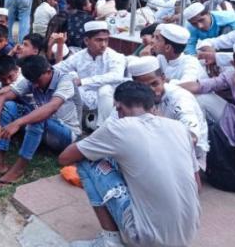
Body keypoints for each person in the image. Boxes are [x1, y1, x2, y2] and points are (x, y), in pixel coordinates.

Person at [58, 81, 201, 247]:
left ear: (119, 107)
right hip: (188, 234)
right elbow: (197, 185)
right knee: (123, 159)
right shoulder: (180, 128)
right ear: (152, 106)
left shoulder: (118, 128)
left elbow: (65, 158)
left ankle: (111, 241)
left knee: (85, 160)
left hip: (146, 238)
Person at [0, 55, 79, 188]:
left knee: (38, 117)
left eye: (37, 80)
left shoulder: (65, 80)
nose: (34, 85)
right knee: (9, 106)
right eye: (31, 81)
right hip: (43, 130)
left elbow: (51, 108)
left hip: (66, 135)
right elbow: (3, 97)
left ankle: (19, 169)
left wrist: (18, 123)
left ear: (48, 71)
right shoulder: (32, 78)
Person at [180, 40, 235, 200]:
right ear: (234, 64)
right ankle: (199, 158)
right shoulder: (232, 74)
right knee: (201, 98)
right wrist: (167, 87)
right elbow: (201, 86)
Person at [127, 56, 209, 169]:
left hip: (188, 159)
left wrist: (164, 123)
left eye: (154, 84)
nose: (151, 90)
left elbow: (192, 139)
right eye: (143, 87)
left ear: (163, 78)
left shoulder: (180, 98)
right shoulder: (135, 97)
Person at [55, 21, 126, 129]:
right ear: (87, 41)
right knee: (65, 83)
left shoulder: (114, 56)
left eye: (106, 40)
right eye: (99, 40)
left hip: (111, 100)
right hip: (86, 97)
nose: (103, 44)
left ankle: (103, 129)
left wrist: (83, 81)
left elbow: (116, 75)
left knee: (105, 89)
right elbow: (58, 69)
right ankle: (68, 126)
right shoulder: (79, 56)